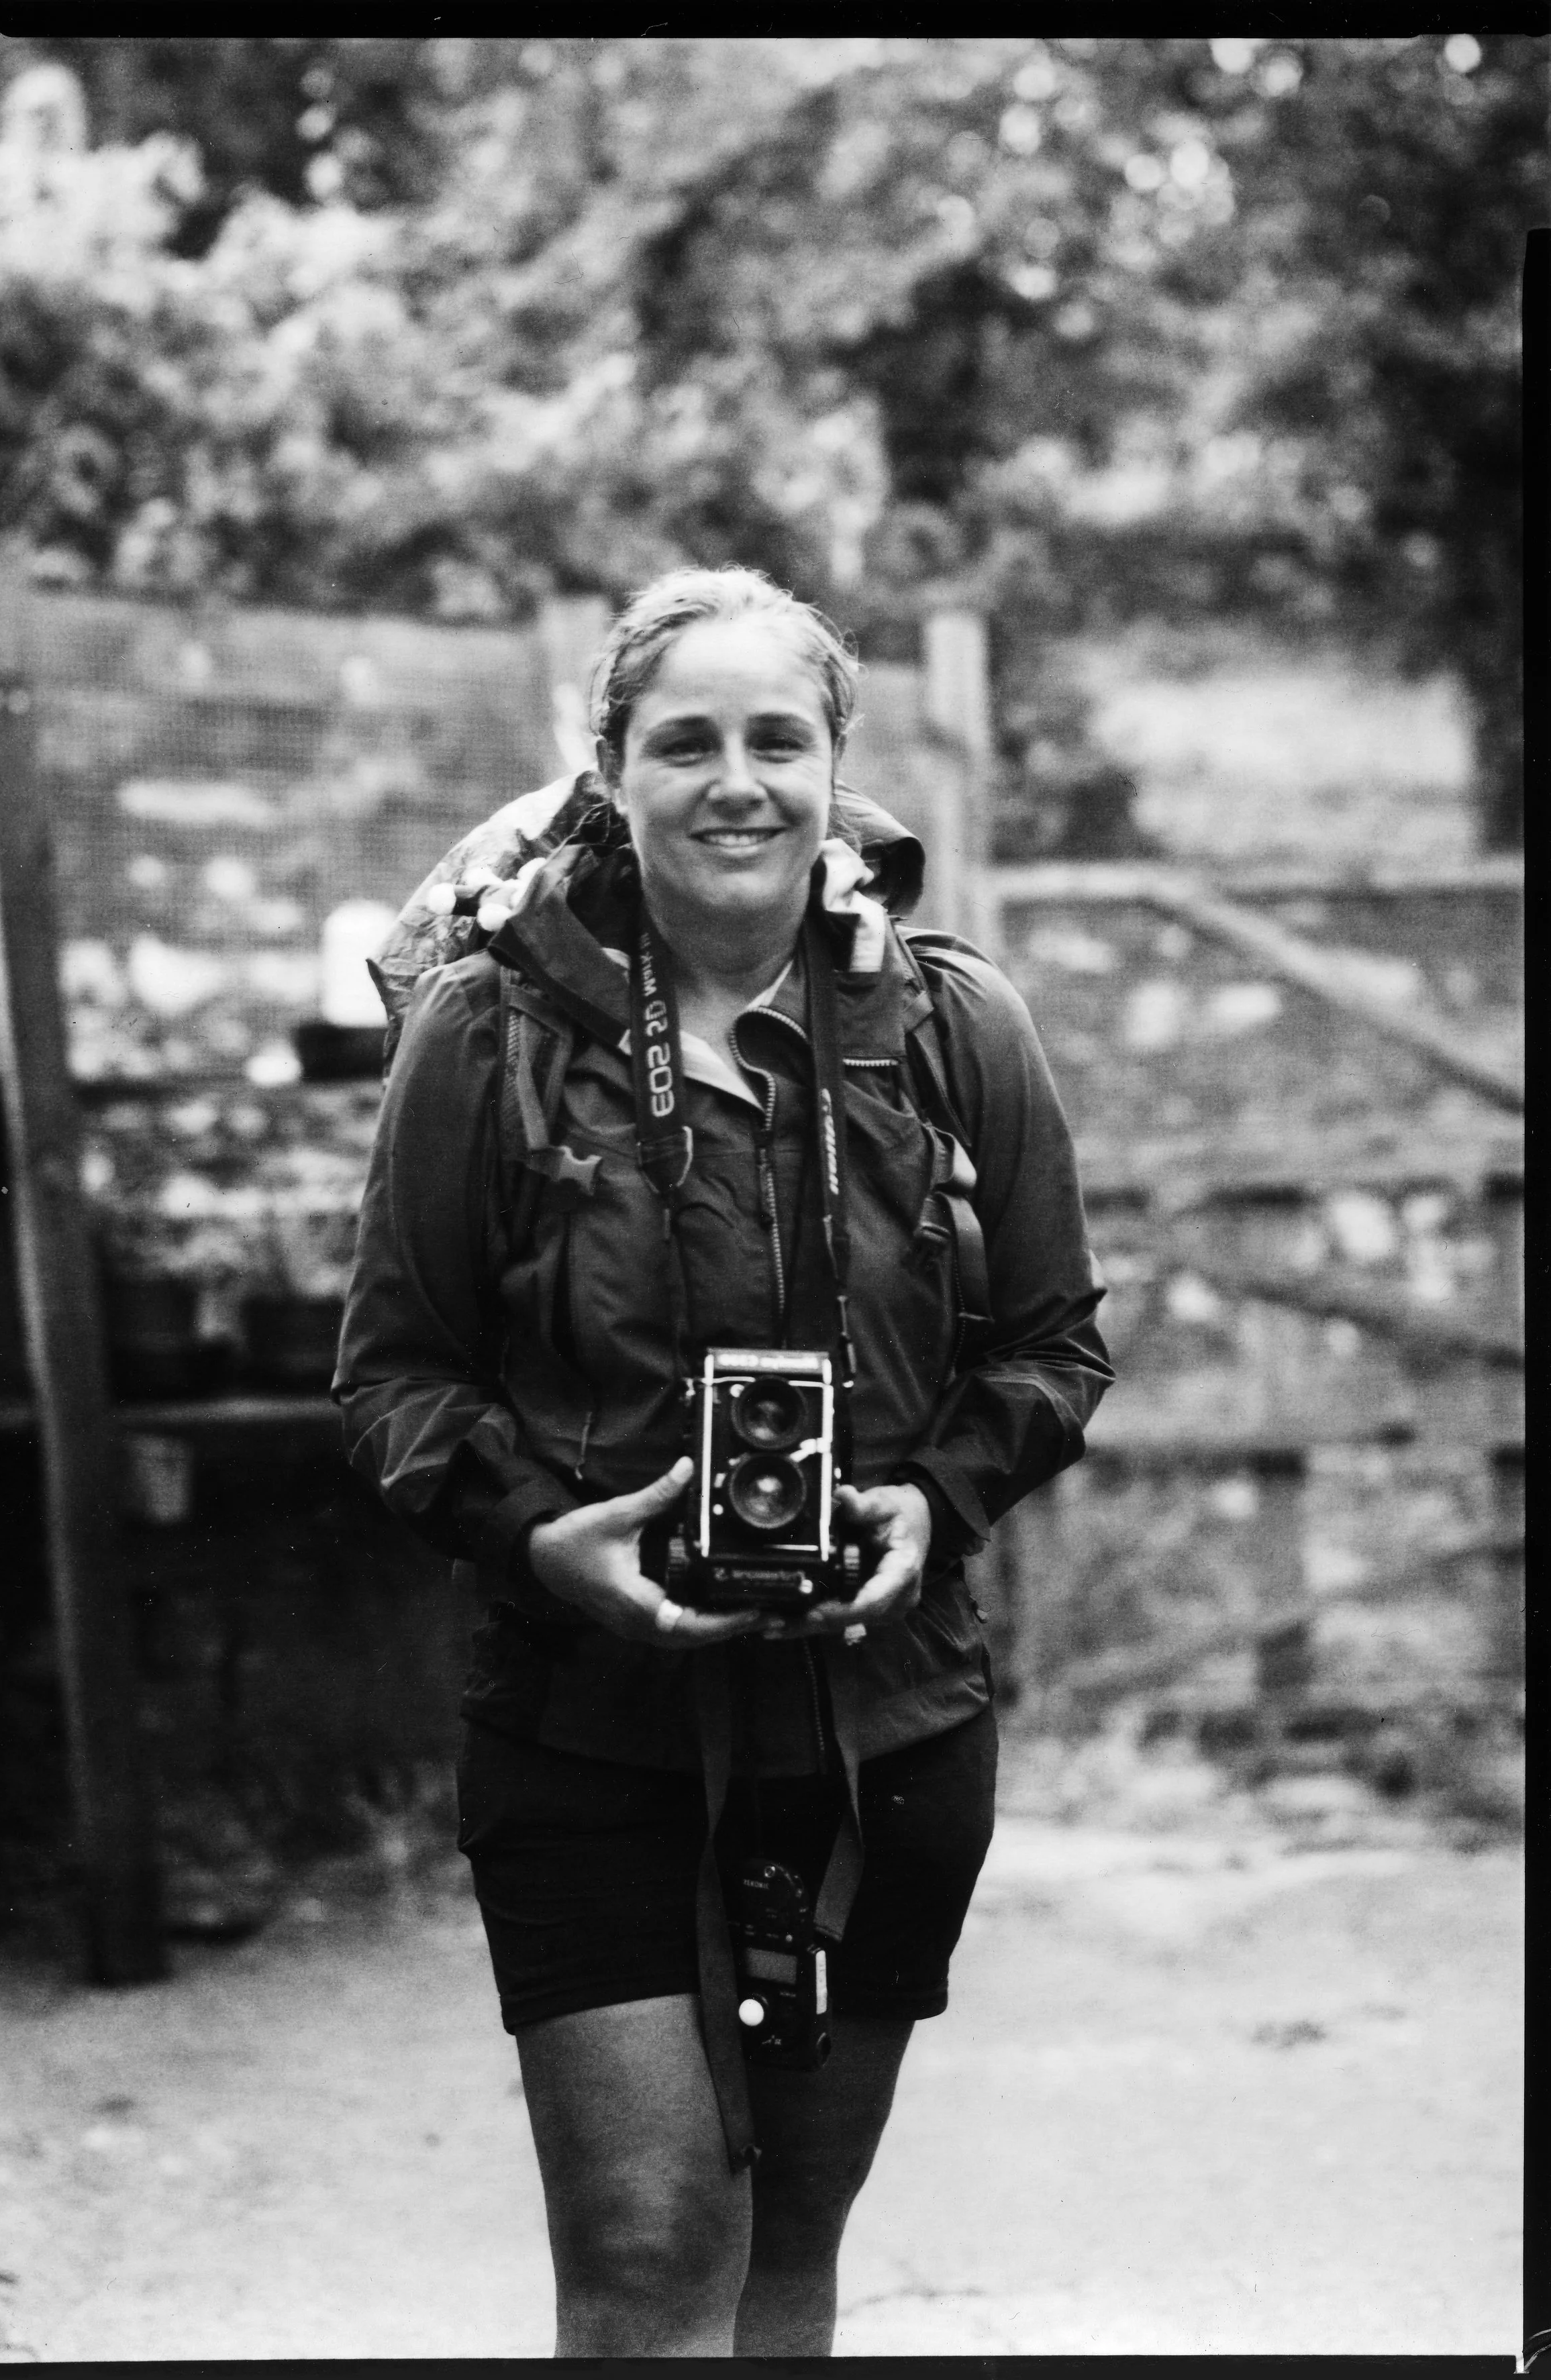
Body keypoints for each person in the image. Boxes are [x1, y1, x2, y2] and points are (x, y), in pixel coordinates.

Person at [335, 566, 1113, 2357]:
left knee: (781, 2252)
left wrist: (940, 1497)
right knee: (639, 2258)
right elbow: (394, 1376)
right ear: (607, 773)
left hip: (883, 1721)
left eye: (779, 739)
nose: (734, 781)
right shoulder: (487, 1030)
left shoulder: (946, 1024)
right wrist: (538, 1541)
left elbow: (1052, 1343)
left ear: (837, 771)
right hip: (581, 1719)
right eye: (682, 743)